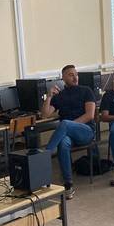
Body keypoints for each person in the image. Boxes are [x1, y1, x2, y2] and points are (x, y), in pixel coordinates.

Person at [42, 65, 96, 199]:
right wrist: (49, 96)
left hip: (86, 131)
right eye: (71, 75)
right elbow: (45, 114)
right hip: (68, 134)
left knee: (65, 123)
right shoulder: (60, 96)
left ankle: (45, 155)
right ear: (63, 78)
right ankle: (68, 184)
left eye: (76, 74)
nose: (75, 77)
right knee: (63, 143)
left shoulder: (86, 91)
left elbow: (90, 115)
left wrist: (70, 126)